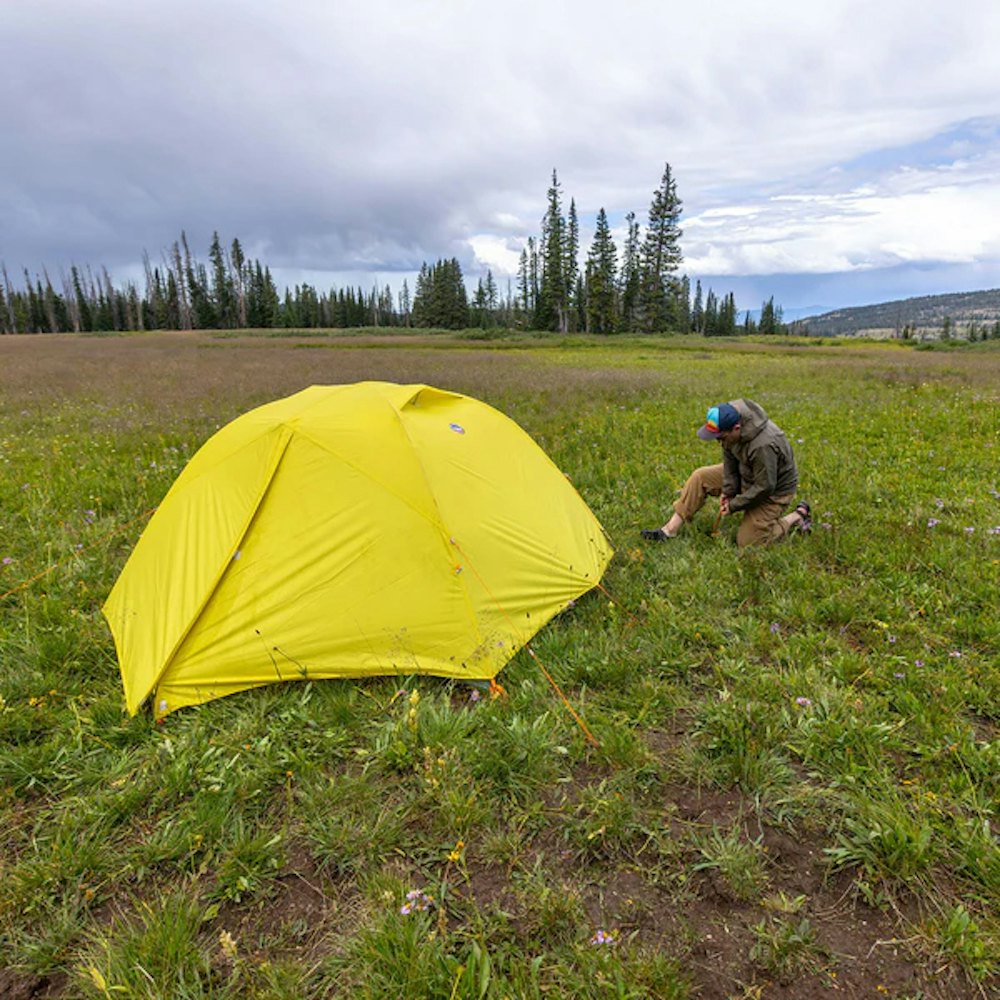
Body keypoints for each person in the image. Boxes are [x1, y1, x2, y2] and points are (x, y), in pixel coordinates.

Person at [641, 399, 811, 548]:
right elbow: (729, 457)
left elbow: (765, 486)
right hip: (747, 472)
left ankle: (796, 517)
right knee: (700, 477)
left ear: (737, 429)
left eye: (720, 438)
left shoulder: (763, 446)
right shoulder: (731, 418)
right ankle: (669, 530)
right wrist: (728, 491)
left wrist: (734, 505)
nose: (719, 442)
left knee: (749, 543)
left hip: (773, 491)